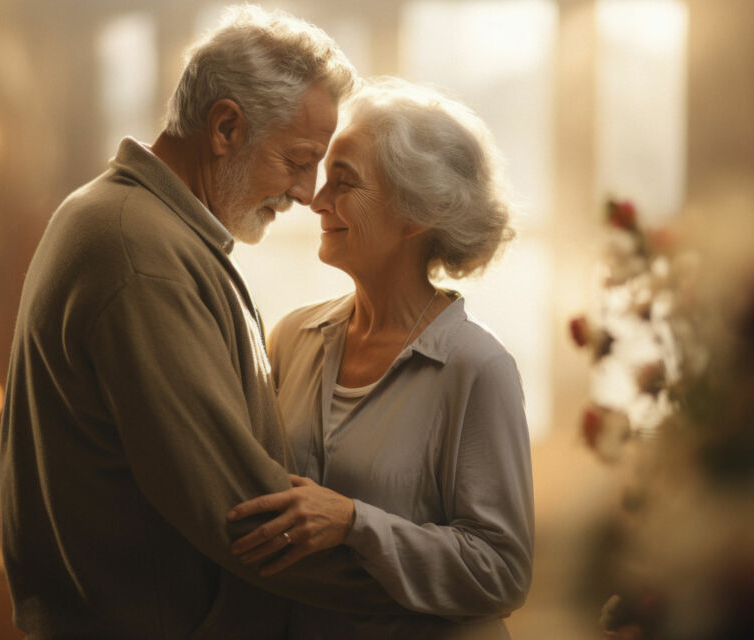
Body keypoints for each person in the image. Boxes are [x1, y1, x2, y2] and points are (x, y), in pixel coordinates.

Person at [0, 8, 411, 638]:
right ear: (225, 127)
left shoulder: (146, 230)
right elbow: (249, 515)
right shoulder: (138, 251)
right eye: (299, 160)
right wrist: (428, 589)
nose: (307, 193)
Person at [227, 78, 535, 639]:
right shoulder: (293, 338)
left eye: (344, 183)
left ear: (418, 213)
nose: (316, 201)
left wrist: (353, 522)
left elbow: (502, 574)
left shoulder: (478, 367)